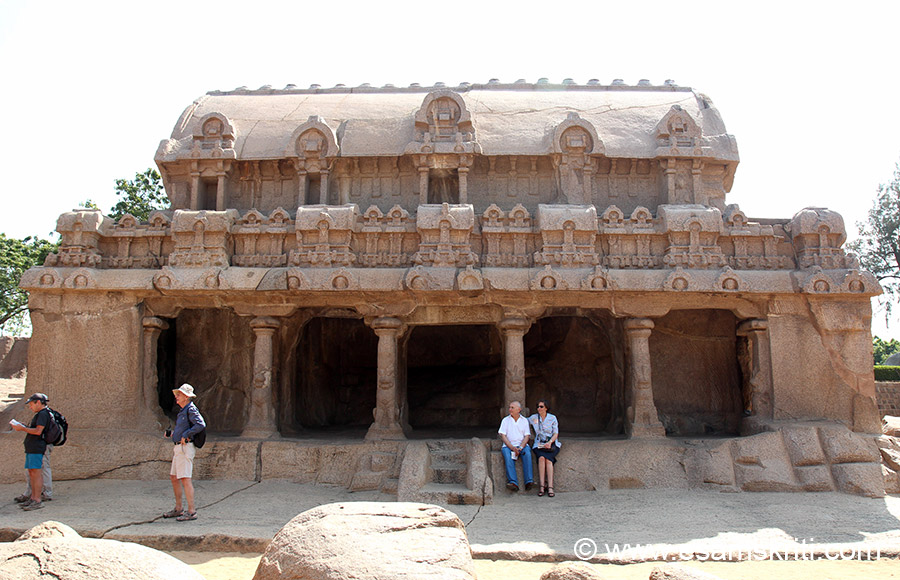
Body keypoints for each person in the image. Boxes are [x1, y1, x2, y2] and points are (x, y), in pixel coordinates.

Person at [164, 383, 206, 522]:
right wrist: (173, 434)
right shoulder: (183, 410)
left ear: (186, 397)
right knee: (174, 477)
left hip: (185, 448)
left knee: (185, 478)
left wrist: (187, 433)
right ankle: (178, 508)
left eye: (180, 394)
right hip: (179, 448)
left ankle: (191, 511)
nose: (177, 397)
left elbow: (200, 424)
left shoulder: (191, 409)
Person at [10, 393, 52, 510]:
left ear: (38, 402)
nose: (30, 407)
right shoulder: (40, 414)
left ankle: (37, 499)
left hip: (37, 448)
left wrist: (22, 428)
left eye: (31, 404)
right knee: (32, 472)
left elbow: (38, 431)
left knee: (36, 473)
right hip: (32, 447)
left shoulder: (43, 414)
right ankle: (33, 498)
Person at [498, 400, 533, 492]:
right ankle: (513, 482)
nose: (510, 409)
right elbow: (503, 436)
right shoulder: (505, 420)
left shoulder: (524, 421)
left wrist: (520, 447)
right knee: (507, 455)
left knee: (528, 454)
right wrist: (512, 447)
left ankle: (529, 481)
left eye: (512, 408)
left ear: (519, 409)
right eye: (509, 407)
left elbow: (527, 436)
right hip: (508, 446)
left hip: (522, 445)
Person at [528, 399, 561, 497]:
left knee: (549, 461)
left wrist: (550, 442)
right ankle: (542, 486)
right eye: (538, 406)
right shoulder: (534, 418)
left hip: (551, 445)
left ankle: (550, 487)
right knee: (541, 458)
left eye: (541, 406)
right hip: (539, 444)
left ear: (546, 408)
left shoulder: (552, 418)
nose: (539, 408)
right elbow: (522, 421)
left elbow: (556, 433)